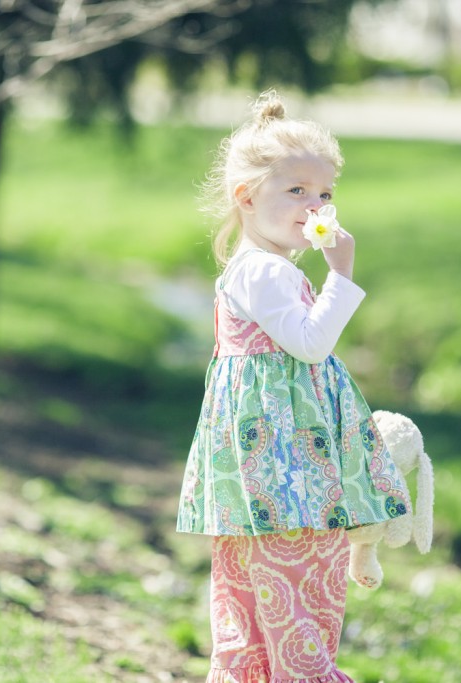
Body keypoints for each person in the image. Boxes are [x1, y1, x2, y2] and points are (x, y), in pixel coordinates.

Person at [175, 90, 411, 683]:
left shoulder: (268, 266)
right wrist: (343, 276)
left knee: (255, 602)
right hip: (285, 478)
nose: (314, 206)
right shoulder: (263, 269)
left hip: (272, 476)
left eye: (325, 194)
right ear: (247, 197)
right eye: (296, 192)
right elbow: (309, 344)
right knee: (302, 592)